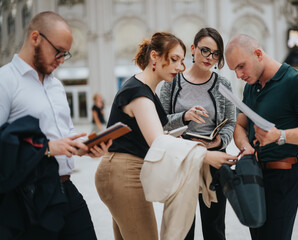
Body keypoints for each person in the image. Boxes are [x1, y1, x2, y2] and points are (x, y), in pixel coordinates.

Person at [94, 32, 237, 240]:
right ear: (155, 57)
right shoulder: (139, 92)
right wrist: (206, 155)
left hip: (129, 172)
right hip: (123, 173)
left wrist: (215, 144)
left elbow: (162, 134)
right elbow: (159, 142)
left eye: (181, 60)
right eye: (174, 60)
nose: (180, 67)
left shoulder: (145, 90)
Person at [0, 11, 111, 239]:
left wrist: (85, 146)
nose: (61, 60)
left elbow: (65, 133)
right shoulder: (1, 83)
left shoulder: (56, 85)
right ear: (35, 37)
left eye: (65, 54)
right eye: (58, 51)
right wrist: (46, 148)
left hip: (66, 188)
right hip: (28, 197)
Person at [225, 34, 298, 240]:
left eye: (241, 66)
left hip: (284, 177)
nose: (238, 75)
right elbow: (240, 125)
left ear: (258, 54)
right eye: (234, 70)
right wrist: (246, 146)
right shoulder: (251, 87)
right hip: (255, 176)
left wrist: (280, 135)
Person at [159, 27, 236, 240]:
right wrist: (184, 116)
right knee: (182, 229)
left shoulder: (223, 85)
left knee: (215, 230)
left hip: (213, 163)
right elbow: (159, 122)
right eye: (205, 50)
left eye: (215, 53)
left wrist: (220, 141)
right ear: (193, 49)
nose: (209, 57)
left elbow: (231, 122)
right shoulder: (172, 83)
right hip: (180, 163)